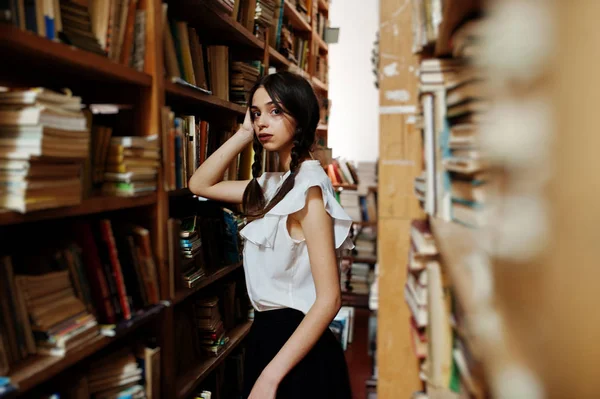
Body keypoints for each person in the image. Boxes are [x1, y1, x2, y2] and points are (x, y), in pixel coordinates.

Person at [189, 71, 353, 399]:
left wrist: (270, 377)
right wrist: (243, 133)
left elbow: (330, 298)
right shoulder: (273, 185)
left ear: (301, 115)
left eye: (275, 111)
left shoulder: (308, 190)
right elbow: (199, 184)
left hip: (296, 353)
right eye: (256, 113)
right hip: (269, 340)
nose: (263, 122)